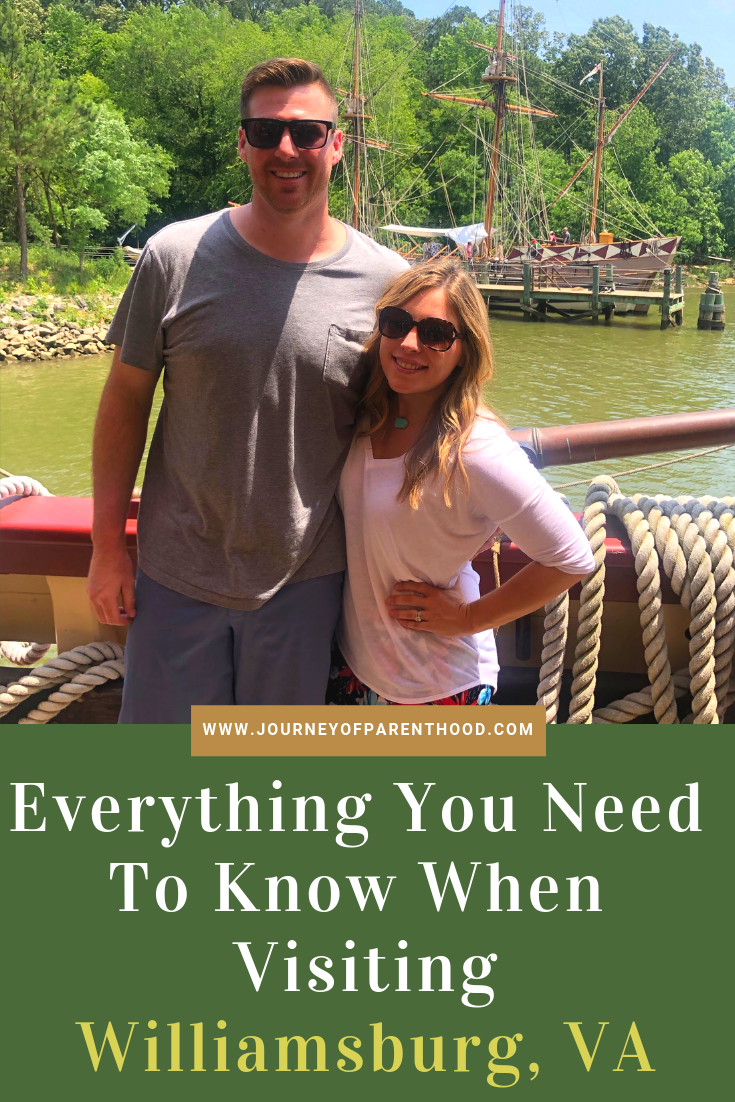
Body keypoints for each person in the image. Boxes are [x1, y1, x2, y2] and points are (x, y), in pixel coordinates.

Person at [87, 57, 407, 721]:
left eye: (307, 133)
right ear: (241, 143)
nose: (286, 151)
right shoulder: (173, 255)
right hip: (175, 577)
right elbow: (123, 407)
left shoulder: (388, 283)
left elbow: (419, 418)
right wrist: (105, 549)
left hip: (309, 582)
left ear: (337, 145)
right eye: (265, 133)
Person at [327, 260, 594, 706]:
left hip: (438, 684)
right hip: (357, 664)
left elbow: (570, 558)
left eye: (435, 333)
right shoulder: (365, 414)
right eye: (396, 323)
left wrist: (467, 617)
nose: (409, 344)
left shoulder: (475, 449)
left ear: (465, 349)